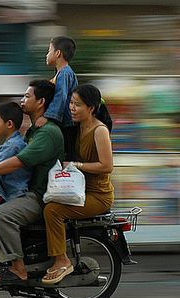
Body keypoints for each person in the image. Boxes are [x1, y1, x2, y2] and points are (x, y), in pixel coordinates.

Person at [0, 80, 64, 283]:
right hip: (26, 191)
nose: (22, 100)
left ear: (41, 102)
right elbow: (7, 154)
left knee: (2, 215)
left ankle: (19, 269)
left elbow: (17, 161)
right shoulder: (35, 130)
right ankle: (2, 243)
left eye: (27, 96)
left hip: (37, 196)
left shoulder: (47, 133)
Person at [41, 84, 114, 284]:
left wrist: (77, 165)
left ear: (91, 108)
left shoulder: (99, 130)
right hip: (80, 190)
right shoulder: (78, 128)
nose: (72, 108)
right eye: (71, 103)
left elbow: (107, 166)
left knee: (53, 210)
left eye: (77, 104)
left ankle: (61, 261)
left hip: (98, 195)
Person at [36, 36, 78, 161]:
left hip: (68, 124)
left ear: (58, 53)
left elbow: (61, 95)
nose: (47, 55)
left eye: (49, 51)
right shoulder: (60, 73)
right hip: (65, 123)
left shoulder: (65, 73)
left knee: (67, 156)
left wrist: (47, 116)